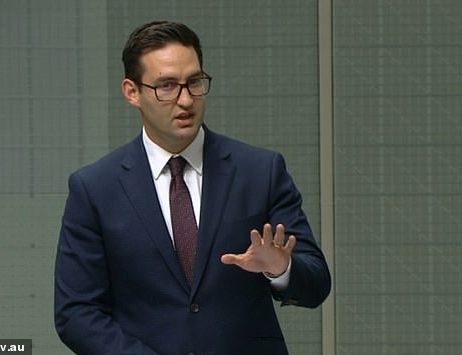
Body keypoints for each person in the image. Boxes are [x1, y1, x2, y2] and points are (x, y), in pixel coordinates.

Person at [54, 20, 331, 355]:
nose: (185, 100)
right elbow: (76, 313)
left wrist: (280, 268)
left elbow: (316, 283)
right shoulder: (95, 189)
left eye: (195, 82)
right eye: (167, 86)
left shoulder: (260, 171)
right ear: (132, 92)